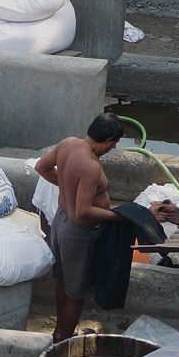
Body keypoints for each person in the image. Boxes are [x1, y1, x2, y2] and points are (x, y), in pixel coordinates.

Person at [34, 112, 124, 343]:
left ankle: (59, 332)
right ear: (108, 140)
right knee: (76, 292)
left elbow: (41, 167)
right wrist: (117, 216)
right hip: (79, 233)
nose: (111, 149)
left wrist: (66, 186)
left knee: (64, 282)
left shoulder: (67, 144)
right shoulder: (91, 166)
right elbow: (83, 211)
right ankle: (63, 339)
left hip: (61, 222)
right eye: (113, 144)